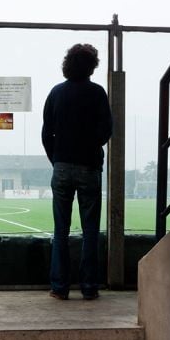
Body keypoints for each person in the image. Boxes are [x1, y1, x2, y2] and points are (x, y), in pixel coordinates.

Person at [41, 43, 112, 301]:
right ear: (92, 66)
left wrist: (57, 159)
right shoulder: (97, 93)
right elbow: (106, 130)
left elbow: (46, 133)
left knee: (61, 229)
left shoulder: (56, 93)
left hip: (61, 167)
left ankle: (59, 287)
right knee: (90, 230)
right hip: (89, 167)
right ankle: (89, 287)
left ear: (67, 64)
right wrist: (90, 147)